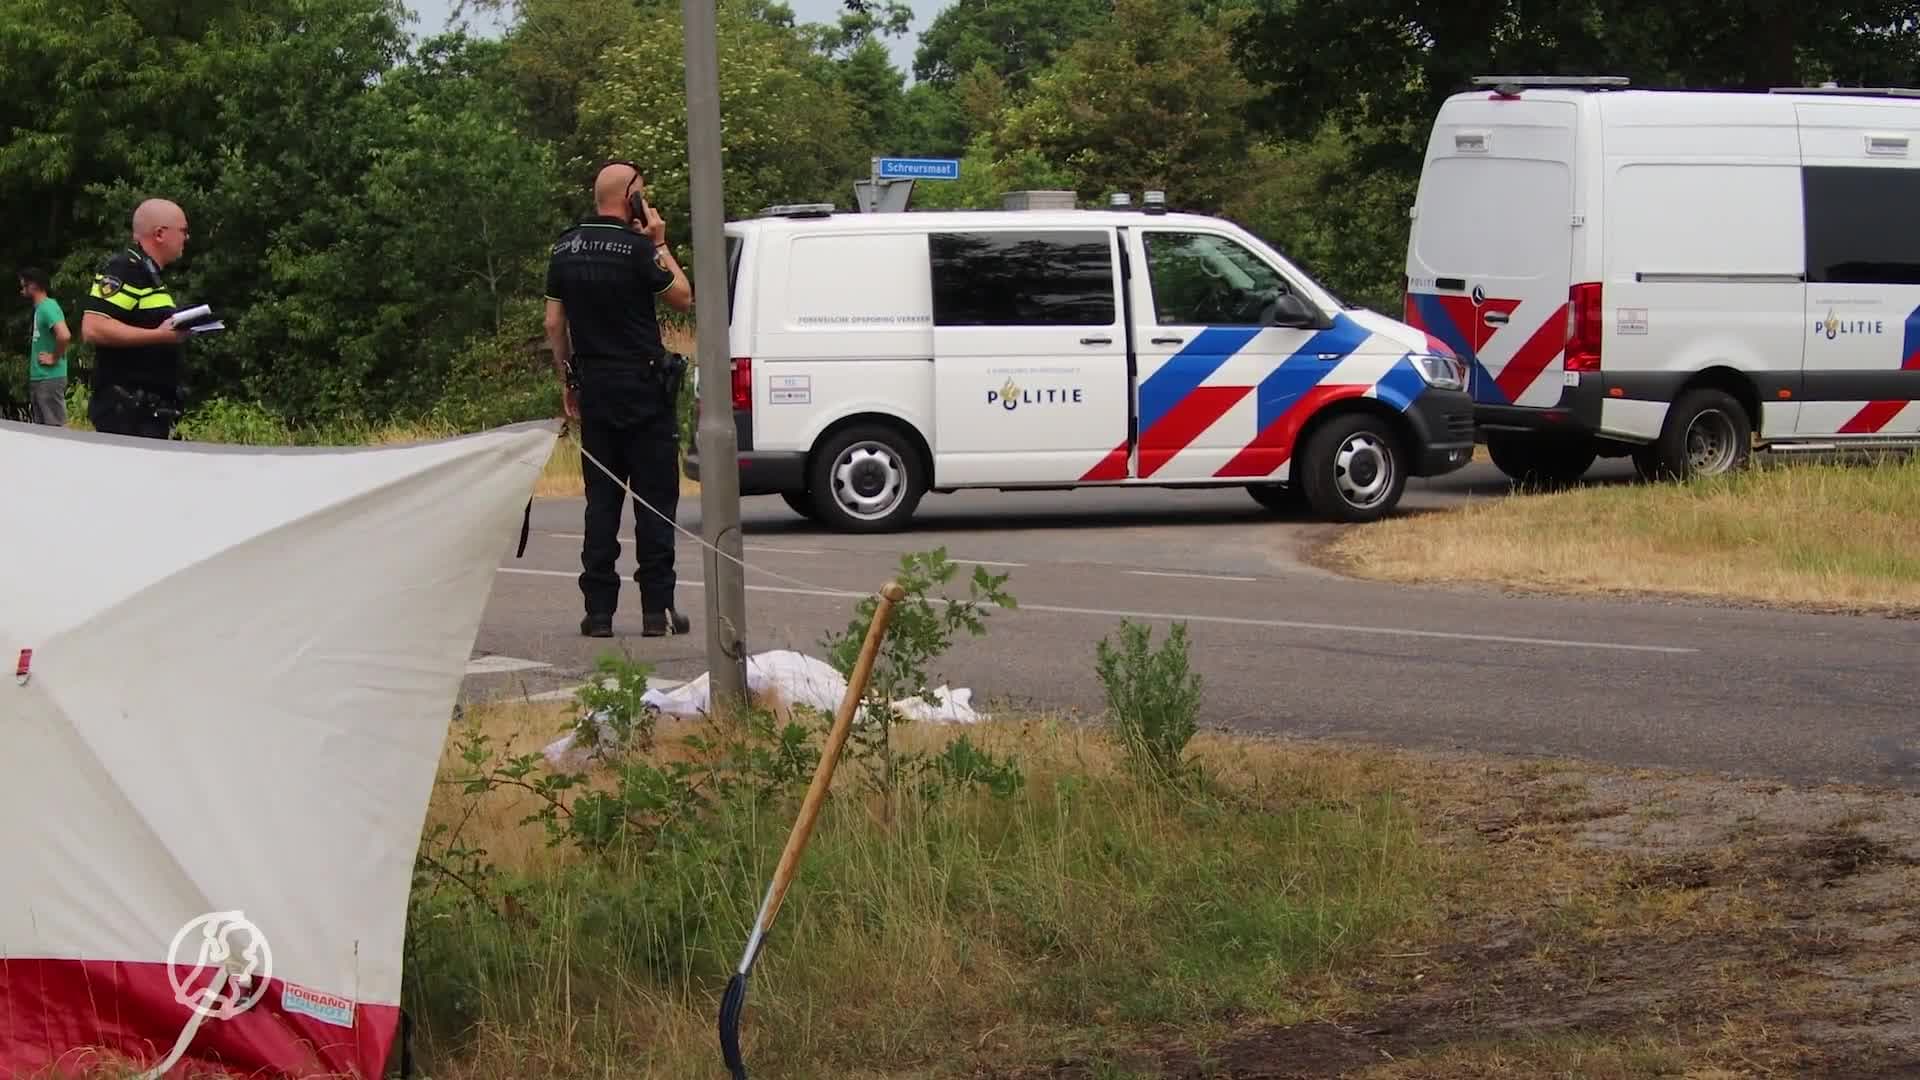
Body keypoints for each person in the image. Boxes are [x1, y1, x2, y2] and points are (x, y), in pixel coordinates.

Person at [544, 160, 695, 638]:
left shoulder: (563, 248)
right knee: (654, 502)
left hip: (596, 390)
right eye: (642, 193)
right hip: (644, 390)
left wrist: (568, 380)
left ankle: (599, 612)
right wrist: (659, 242)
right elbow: (683, 298)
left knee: (602, 502)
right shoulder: (637, 249)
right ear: (629, 196)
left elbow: (553, 324)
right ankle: (656, 610)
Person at [81, 198, 193, 439]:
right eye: (183, 231)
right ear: (160, 234)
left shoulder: (149, 275)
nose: (187, 237)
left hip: (147, 413)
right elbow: (94, 328)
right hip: (127, 412)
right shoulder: (125, 268)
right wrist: (159, 336)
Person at [18, 267, 70, 426]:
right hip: (41, 379)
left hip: (49, 378)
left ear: (33, 285)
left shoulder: (48, 307)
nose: (21, 289)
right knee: (42, 434)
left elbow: (65, 335)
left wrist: (54, 357)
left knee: (54, 432)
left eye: (23, 285)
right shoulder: (40, 309)